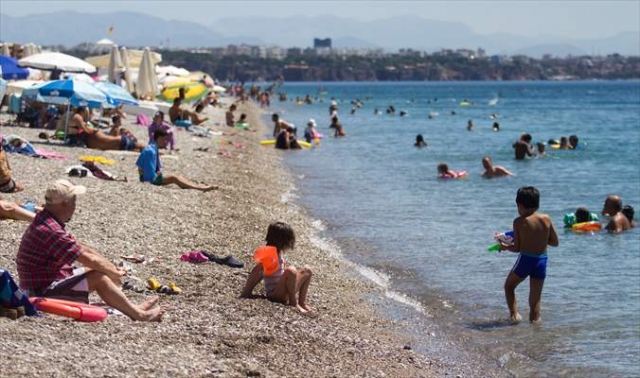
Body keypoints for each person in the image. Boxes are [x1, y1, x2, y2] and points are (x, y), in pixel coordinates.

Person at [16, 180, 166, 321]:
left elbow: (83, 249)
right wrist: (112, 272)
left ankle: (132, 308)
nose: (75, 206)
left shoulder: (46, 221)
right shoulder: (50, 230)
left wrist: (111, 268)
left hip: (42, 285)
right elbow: (89, 258)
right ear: (65, 203)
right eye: (74, 201)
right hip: (40, 293)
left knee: (95, 271)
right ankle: (139, 315)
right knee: (98, 277)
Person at [499, 186, 559, 324]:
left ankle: (514, 317)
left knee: (509, 286)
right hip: (541, 261)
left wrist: (504, 246)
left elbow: (517, 248)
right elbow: (555, 242)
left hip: (526, 260)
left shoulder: (519, 222)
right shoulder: (546, 219)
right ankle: (535, 327)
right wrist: (539, 239)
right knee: (535, 300)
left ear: (519, 205)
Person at [240, 222, 314, 313]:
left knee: (307, 270)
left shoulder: (278, 255)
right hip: (275, 294)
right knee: (291, 270)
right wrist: (247, 291)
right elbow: (257, 271)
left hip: (284, 289)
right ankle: (293, 303)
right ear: (282, 241)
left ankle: (302, 302)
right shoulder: (269, 255)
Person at [137, 129, 217, 191]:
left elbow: (140, 165)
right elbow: (150, 176)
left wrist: (157, 174)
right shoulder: (151, 151)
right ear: (159, 138)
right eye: (164, 139)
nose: (166, 142)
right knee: (174, 178)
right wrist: (156, 177)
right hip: (148, 178)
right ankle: (199, 188)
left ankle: (197, 185)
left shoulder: (152, 147)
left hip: (146, 176)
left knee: (176, 176)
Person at [67, 107, 144, 151]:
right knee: (131, 145)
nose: (90, 112)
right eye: (88, 111)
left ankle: (142, 148)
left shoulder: (77, 117)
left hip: (117, 141)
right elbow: (85, 129)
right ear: (84, 111)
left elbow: (86, 127)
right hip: (119, 141)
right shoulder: (78, 117)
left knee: (129, 146)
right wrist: (93, 129)